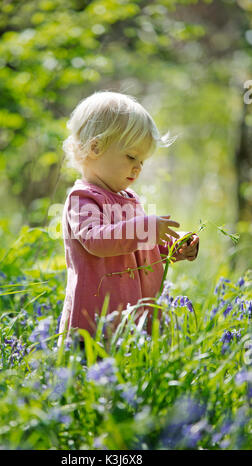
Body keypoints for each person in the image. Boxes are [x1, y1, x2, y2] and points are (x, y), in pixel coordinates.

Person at [57, 91, 199, 348]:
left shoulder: (129, 197)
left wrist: (173, 245)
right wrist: (145, 229)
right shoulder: (83, 199)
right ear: (95, 147)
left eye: (142, 161)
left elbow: (140, 246)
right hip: (96, 321)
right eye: (131, 157)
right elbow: (96, 240)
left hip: (135, 319)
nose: (138, 168)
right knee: (90, 380)